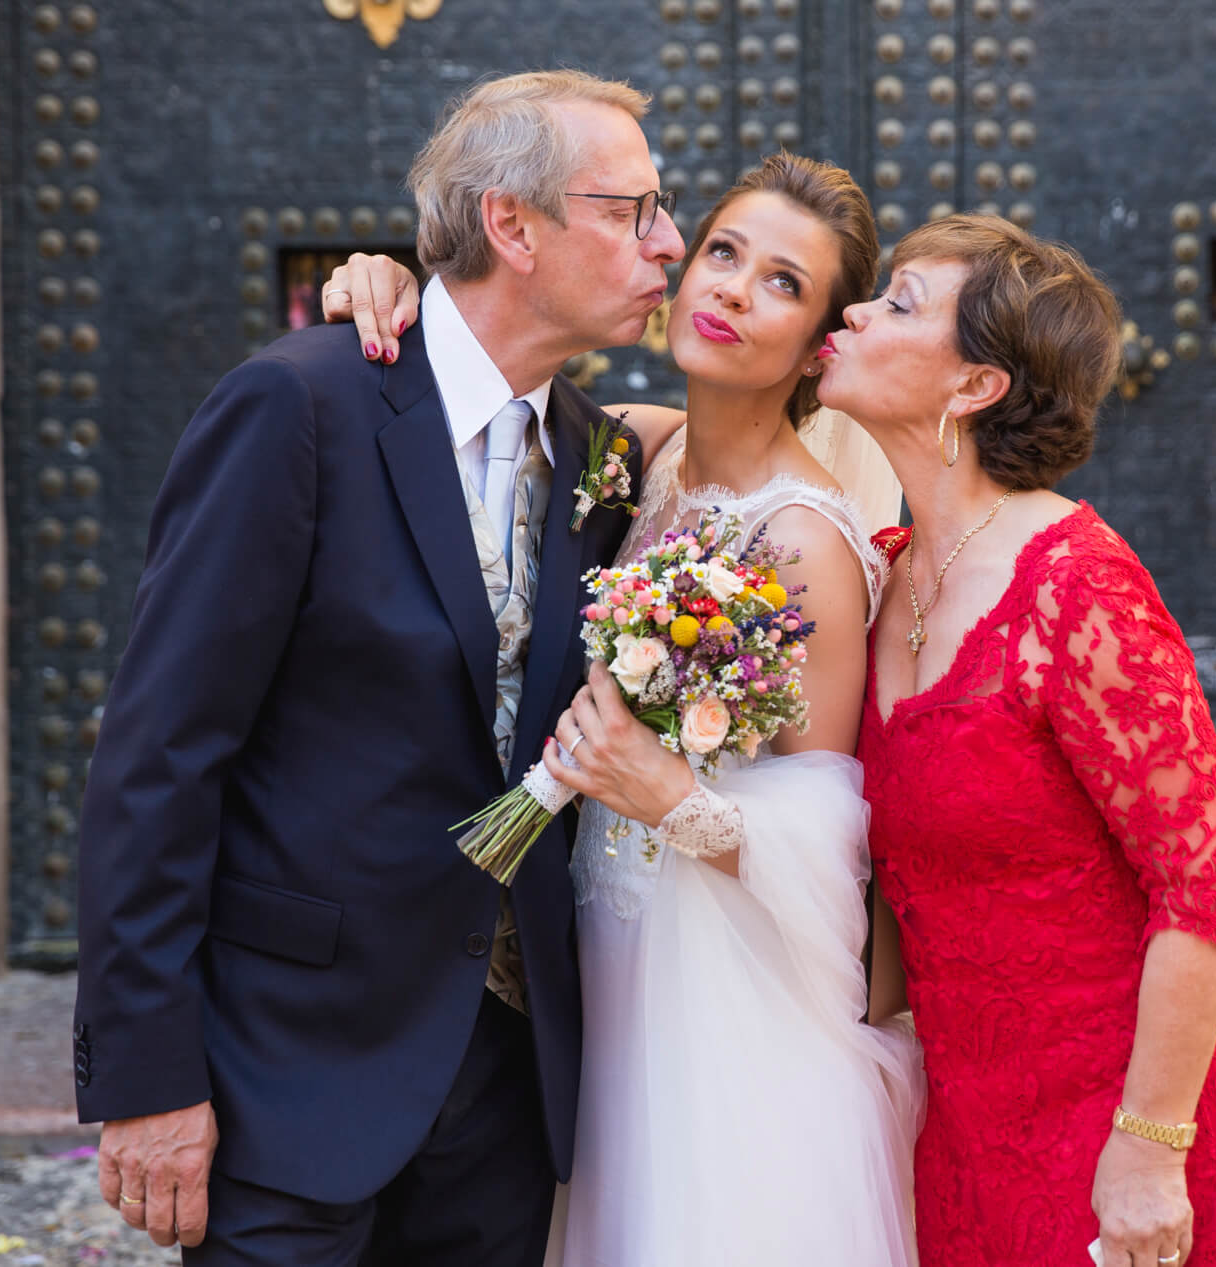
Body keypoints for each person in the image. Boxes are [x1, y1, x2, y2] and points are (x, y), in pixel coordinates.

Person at [71, 69, 680, 1264]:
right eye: (630, 208)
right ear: (511, 223)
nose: (666, 241)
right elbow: (159, 755)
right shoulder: (298, 405)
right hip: (286, 1074)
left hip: (507, 1094)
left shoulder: (599, 454)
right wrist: (148, 1078)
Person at [328, 152, 923, 1266]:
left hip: (727, 999)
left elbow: (836, 839)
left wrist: (672, 797)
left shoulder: (805, 541)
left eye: (784, 284)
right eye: (726, 252)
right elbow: (472, 372)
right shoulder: (629, 450)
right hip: (604, 968)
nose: (735, 290)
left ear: (815, 346)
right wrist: (389, 286)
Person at [818, 214, 1216, 1267]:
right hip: (960, 1115)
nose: (853, 308)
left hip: (1124, 1115)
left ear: (973, 387)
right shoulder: (880, 575)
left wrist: (1151, 1151)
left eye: (898, 302)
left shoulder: (1077, 588)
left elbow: (1201, 896)